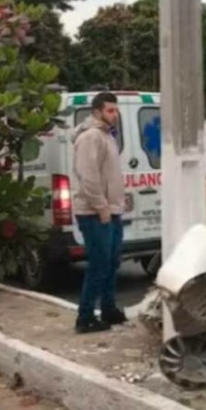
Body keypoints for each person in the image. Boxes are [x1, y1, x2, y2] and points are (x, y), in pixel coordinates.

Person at [71, 92, 128, 334]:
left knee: (112, 262)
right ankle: (85, 317)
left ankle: (108, 309)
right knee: (99, 265)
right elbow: (89, 176)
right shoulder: (91, 137)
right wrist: (102, 207)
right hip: (95, 213)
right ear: (96, 112)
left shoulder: (107, 136)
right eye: (109, 111)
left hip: (111, 211)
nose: (114, 115)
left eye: (116, 110)